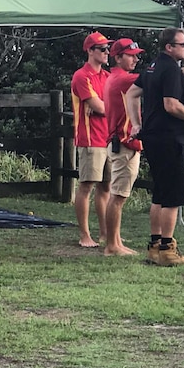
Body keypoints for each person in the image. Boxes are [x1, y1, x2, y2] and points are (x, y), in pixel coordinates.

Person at [124, 28, 184, 266]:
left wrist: (136, 123)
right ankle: (167, 249)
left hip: (153, 137)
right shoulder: (170, 69)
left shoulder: (155, 66)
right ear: (169, 47)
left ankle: (154, 246)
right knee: (173, 194)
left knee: (160, 193)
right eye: (183, 45)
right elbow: (171, 105)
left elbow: (132, 93)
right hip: (169, 137)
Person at [102, 38, 144, 256]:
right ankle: (112, 246)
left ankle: (115, 241)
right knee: (118, 196)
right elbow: (155, 79)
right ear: (117, 57)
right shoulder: (122, 79)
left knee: (116, 194)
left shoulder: (114, 78)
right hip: (124, 143)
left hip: (119, 142)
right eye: (131, 55)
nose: (136, 59)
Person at [71, 31, 112, 248]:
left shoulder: (107, 77)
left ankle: (106, 234)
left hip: (108, 137)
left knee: (106, 187)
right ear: (90, 51)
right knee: (86, 186)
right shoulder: (81, 76)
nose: (107, 53)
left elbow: (110, 104)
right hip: (90, 138)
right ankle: (85, 234)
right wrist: (99, 105)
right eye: (102, 49)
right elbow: (99, 106)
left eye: (107, 49)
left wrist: (102, 106)